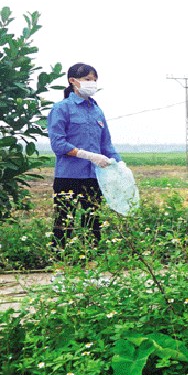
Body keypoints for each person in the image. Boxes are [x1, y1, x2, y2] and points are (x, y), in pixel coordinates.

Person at [47, 63, 122, 251]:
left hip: (93, 177)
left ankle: (91, 267)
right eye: (87, 80)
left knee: (93, 223)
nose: (92, 84)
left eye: (94, 80)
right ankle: (59, 266)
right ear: (73, 81)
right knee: (64, 223)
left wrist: (121, 164)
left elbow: (106, 144)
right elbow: (58, 144)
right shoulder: (61, 108)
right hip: (68, 176)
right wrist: (87, 155)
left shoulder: (97, 111)